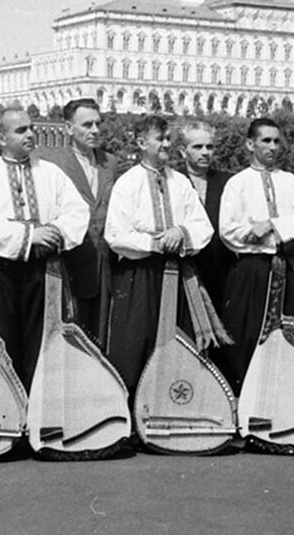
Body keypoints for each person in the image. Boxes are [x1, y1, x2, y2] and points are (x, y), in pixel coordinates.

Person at [0, 109, 89, 387]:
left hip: (43, 268)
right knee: (3, 336)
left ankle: (39, 407)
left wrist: (56, 232)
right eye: (20, 130)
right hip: (1, 268)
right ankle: (8, 406)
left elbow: (76, 210)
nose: (30, 134)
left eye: (31, 128)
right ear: (1, 137)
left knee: (43, 337)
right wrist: (29, 236)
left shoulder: (50, 172)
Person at [103, 115, 217, 391]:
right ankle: (130, 413)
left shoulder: (180, 183)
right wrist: (154, 243)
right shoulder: (127, 184)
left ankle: (176, 406)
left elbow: (203, 225)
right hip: (139, 275)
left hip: (178, 272)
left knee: (180, 339)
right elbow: (116, 234)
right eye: (160, 139)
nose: (166, 144)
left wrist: (180, 233)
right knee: (135, 341)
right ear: (142, 143)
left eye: (169, 139)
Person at [217, 117, 294, 390]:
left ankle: (283, 401)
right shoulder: (238, 184)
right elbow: (231, 232)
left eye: (276, 141)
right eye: (265, 141)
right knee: (245, 334)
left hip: (288, 269)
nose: (272, 147)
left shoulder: (291, 182)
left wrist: (271, 225)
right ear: (250, 144)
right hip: (251, 270)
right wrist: (271, 234)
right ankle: (245, 398)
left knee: (291, 331)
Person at [39, 97, 118, 344]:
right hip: (69, 261)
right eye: (86, 125)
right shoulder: (50, 162)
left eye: (97, 124)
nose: (94, 130)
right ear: (68, 128)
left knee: (101, 333)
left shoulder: (111, 162)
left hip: (104, 264)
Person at [179, 120, 234, 310]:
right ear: (182, 151)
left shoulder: (228, 182)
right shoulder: (173, 181)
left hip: (221, 270)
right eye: (198, 147)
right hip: (185, 269)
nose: (205, 152)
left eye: (209, 147)